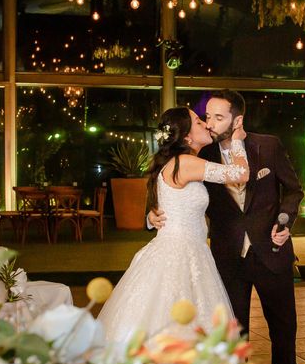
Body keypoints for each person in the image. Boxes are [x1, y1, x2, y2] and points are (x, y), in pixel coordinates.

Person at [148, 90, 305, 364]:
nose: (209, 122)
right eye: (206, 117)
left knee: (284, 334)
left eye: (218, 117)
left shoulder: (269, 146)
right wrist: (151, 215)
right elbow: (167, 187)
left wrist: (285, 219)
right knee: (235, 339)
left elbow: (293, 189)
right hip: (225, 259)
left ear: (238, 120)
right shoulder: (203, 154)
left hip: (272, 253)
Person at [97, 107, 249, 346]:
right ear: (187, 136)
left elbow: (169, 204)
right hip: (181, 253)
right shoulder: (185, 162)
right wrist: (238, 142)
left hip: (186, 249)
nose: (207, 125)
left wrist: (151, 216)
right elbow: (240, 173)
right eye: (199, 122)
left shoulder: (180, 163)